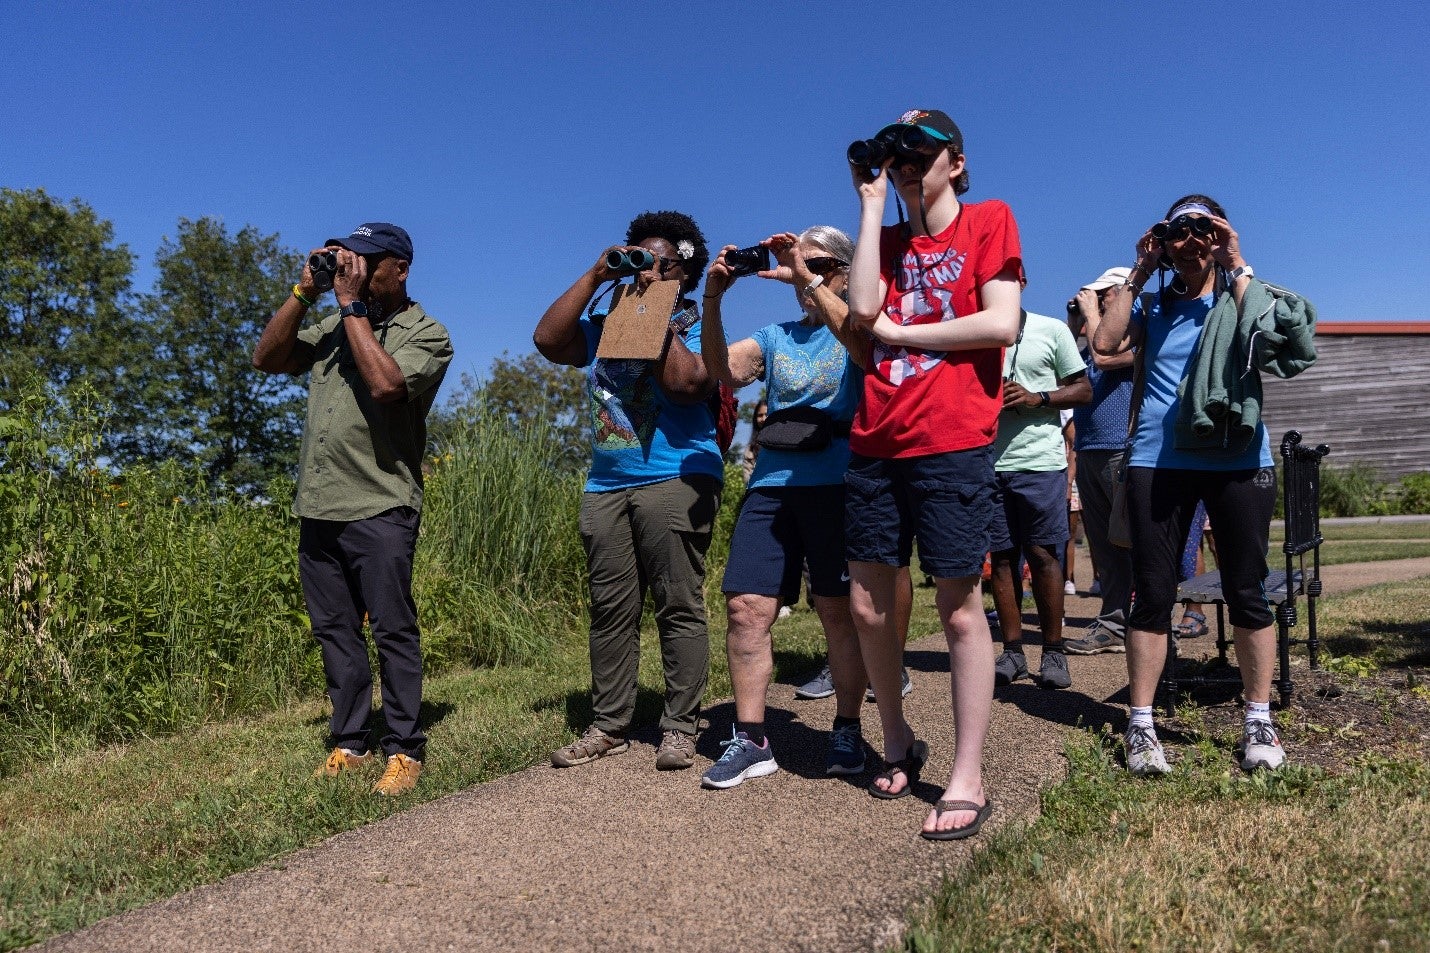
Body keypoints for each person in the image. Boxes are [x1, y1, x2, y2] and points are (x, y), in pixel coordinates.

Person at [840, 109, 1022, 840]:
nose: (909, 161)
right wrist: (873, 202)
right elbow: (859, 308)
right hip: (877, 439)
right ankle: (896, 736)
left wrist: (904, 335)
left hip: (951, 439)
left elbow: (1000, 322)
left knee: (957, 606)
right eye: (899, 153)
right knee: (867, 605)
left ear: (957, 161)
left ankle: (968, 773)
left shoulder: (989, 220)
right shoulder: (883, 239)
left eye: (922, 151)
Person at [1092, 194, 1316, 775]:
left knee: (1247, 588)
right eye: (1179, 233)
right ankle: (1141, 726)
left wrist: (1235, 257)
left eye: (1202, 230)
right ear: (1164, 242)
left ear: (1218, 235)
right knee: (1154, 591)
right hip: (1157, 461)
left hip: (1237, 457)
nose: (1190, 242)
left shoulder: (1240, 293)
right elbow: (1105, 342)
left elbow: (1271, 337)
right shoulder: (1154, 302)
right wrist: (1140, 268)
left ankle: (1257, 717)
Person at [252, 222, 452, 796]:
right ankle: (349, 741)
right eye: (347, 260)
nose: (353, 269)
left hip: (381, 503)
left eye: (365, 261)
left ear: (400, 268)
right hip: (320, 504)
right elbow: (267, 359)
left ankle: (405, 749)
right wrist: (303, 294)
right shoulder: (334, 322)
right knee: (335, 630)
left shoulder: (427, 333)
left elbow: (388, 386)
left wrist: (348, 304)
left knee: (392, 629)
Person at [534, 211, 722, 772]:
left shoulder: (694, 322)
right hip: (607, 481)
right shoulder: (607, 321)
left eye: (656, 261)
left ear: (682, 272)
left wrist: (656, 312)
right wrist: (597, 276)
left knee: (677, 605)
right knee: (610, 609)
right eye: (634, 255)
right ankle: (610, 723)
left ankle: (680, 728)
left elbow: (687, 386)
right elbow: (548, 340)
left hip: (674, 477)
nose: (642, 268)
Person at [696, 225, 868, 788]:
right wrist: (714, 299)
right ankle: (752, 739)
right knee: (746, 607)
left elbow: (864, 349)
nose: (803, 273)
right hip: (772, 486)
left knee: (838, 611)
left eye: (819, 264)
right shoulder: (777, 335)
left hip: (838, 484)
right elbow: (723, 371)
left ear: (845, 271)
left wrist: (809, 279)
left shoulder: (858, 324)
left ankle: (847, 726)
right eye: (799, 263)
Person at [988, 308, 1090, 690]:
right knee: (1000, 557)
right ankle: (1012, 652)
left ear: (1022, 283)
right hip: (987, 461)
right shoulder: (975, 329)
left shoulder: (1051, 329)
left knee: (1044, 554)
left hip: (1041, 463)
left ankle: (1053, 651)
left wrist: (1038, 397)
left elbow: (1083, 389)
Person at [1063, 268, 1137, 657]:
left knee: (1133, 540)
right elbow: (1069, 374)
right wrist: (1074, 324)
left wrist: (1092, 317)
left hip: (1123, 449)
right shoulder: (1088, 343)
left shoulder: (1137, 335)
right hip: (1091, 450)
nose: (1096, 299)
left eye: (1103, 294)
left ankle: (1146, 623)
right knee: (1104, 547)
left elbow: (1105, 356)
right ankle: (1112, 623)